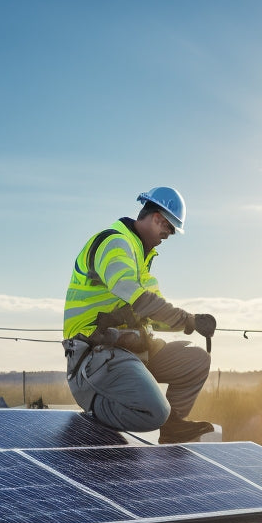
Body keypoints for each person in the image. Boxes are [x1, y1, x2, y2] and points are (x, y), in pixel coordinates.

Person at [62, 186, 217, 444]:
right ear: (156, 217)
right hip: (92, 357)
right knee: (155, 412)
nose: (169, 235)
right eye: (168, 227)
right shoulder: (114, 243)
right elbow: (138, 298)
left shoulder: (142, 260)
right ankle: (95, 414)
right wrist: (186, 319)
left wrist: (194, 322)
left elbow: (155, 315)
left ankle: (173, 428)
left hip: (129, 352)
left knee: (196, 360)